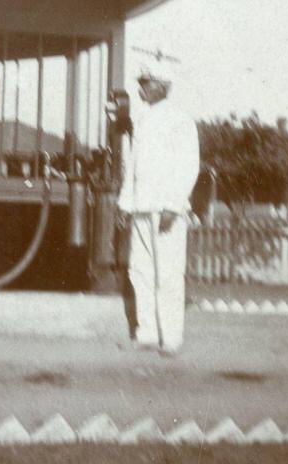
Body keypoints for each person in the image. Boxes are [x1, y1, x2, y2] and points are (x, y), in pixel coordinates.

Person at [117, 57, 201, 354]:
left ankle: (171, 337)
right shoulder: (143, 120)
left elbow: (189, 166)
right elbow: (134, 167)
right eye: (141, 82)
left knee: (167, 272)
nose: (141, 87)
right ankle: (147, 332)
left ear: (163, 86)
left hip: (166, 210)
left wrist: (173, 206)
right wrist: (126, 205)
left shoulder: (180, 120)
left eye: (147, 82)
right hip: (141, 207)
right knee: (140, 271)